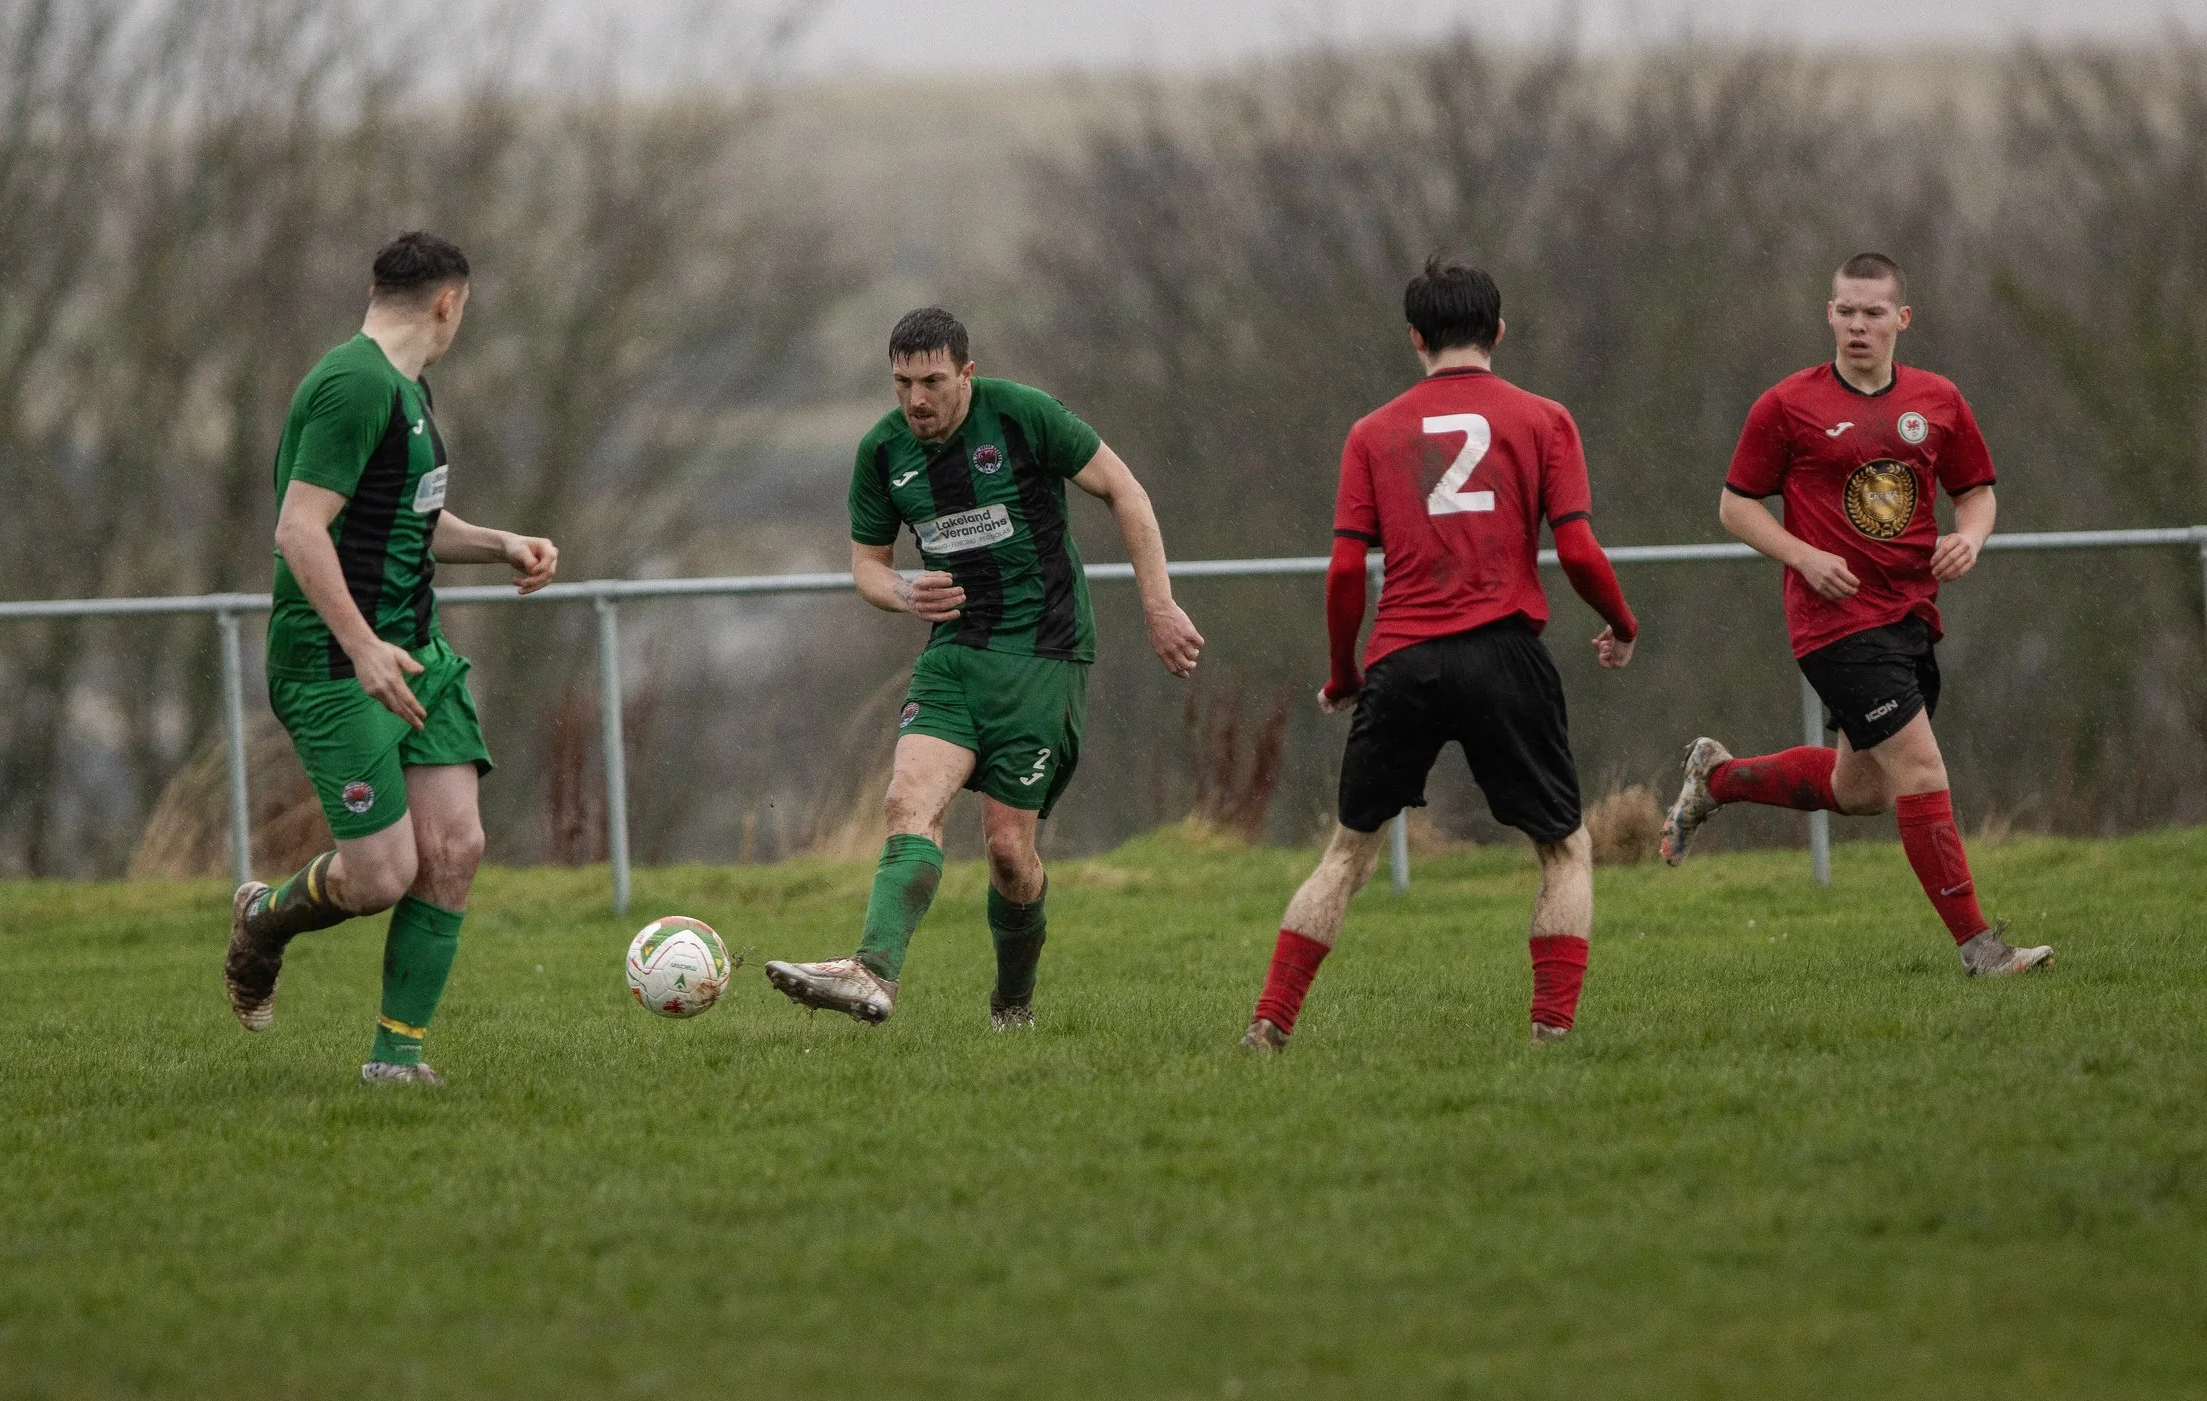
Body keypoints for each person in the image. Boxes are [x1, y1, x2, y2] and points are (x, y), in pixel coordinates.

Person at [764, 307, 1205, 1029]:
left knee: (1007, 851)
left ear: (967, 374)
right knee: (908, 800)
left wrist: (1158, 606)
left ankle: (1012, 1005)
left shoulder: (1024, 416)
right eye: (903, 383)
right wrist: (906, 592)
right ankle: (872, 973)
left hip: (1043, 656)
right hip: (955, 658)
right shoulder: (882, 451)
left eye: (932, 380)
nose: (917, 400)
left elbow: (1126, 491)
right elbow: (867, 567)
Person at [1243, 258, 1640, 1051]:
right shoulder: (1545, 420)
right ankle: (1551, 1032)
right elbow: (1580, 548)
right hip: (1504, 655)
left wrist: (1344, 672)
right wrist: (1622, 623)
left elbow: (1347, 568)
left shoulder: (1373, 433)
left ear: (1415, 338)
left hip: (1405, 659)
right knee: (1565, 849)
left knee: (1347, 853)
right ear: (1497, 332)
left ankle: (1269, 1024)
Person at [222, 231, 562, 1083]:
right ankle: (263, 918)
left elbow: (411, 520)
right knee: (380, 876)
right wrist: (362, 645)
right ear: (450, 302)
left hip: (415, 652)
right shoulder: (351, 385)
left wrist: (501, 543)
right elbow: (299, 529)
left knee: (454, 849)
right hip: (337, 666)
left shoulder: (408, 388)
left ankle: (396, 1062)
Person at [1660, 251, 2052, 977]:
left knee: (1863, 791)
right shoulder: (1787, 406)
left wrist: (1970, 537)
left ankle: (1717, 780)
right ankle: (1982, 951)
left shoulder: (1938, 399)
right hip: (1834, 625)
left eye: (1873, 313)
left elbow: (1977, 492)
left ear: (1902, 319)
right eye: (1845, 311)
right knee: (1921, 768)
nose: (1858, 326)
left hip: (1911, 617)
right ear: (1829, 316)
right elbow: (1734, 506)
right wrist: (1803, 557)